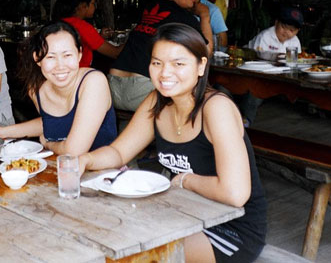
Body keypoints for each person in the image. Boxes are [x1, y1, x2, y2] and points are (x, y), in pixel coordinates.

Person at [80, 23, 267, 262]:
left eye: (178, 64)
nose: (165, 73)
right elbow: (118, 152)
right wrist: (85, 160)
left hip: (231, 228)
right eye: (157, 63)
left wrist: (185, 181)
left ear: (201, 66)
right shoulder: (156, 102)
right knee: (104, 233)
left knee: (133, 253)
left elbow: (235, 193)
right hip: (184, 213)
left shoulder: (216, 108)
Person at [0, 22, 116, 154]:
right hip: (59, 169)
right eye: (50, 57)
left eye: (67, 55)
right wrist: (3, 132)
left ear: (79, 54)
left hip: (103, 173)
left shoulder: (93, 82)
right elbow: (51, 123)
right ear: (37, 58)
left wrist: (48, 144)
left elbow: (74, 151)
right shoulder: (36, 89)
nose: (60, 66)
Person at [108, 0, 213, 112]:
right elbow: (205, 52)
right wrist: (205, 17)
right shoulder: (183, 18)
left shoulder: (149, 8)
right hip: (141, 92)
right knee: (195, 100)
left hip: (112, 85)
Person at [52, 0, 123, 66]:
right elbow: (115, 53)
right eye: (93, 4)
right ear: (83, 6)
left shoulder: (61, 22)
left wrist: (100, 36)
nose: (95, 7)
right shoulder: (82, 27)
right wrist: (134, 38)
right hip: (79, 74)